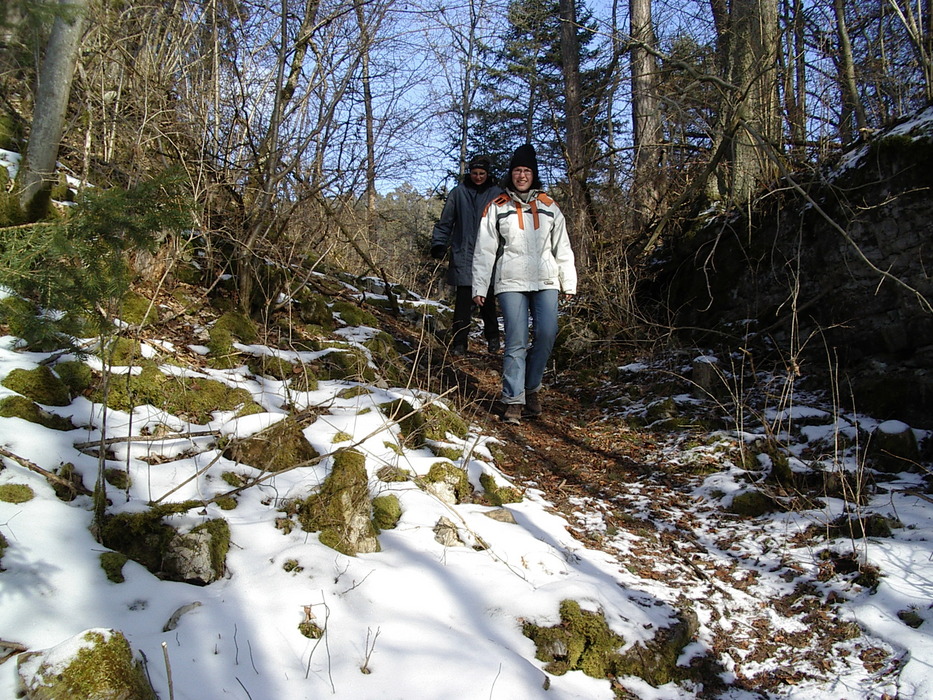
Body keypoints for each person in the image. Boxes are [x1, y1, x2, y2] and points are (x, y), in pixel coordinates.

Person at [471, 144, 576, 424]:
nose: (521, 175)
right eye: (517, 170)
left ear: (533, 174)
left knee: (546, 334)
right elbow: (485, 249)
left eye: (526, 170)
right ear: (511, 173)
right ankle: (513, 400)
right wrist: (480, 286)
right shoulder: (497, 207)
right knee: (516, 340)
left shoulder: (549, 206)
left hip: (545, 279)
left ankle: (532, 389)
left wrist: (569, 282)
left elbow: (562, 247)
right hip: (511, 280)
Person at [431, 156, 503, 356]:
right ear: (469, 173)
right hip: (463, 253)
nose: (478, 177)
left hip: (489, 255)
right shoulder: (458, 193)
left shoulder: (497, 194)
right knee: (463, 300)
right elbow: (446, 221)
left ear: (488, 174)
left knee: (487, 299)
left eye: (482, 173)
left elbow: (506, 224)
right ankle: (459, 343)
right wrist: (438, 243)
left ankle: (493, 338)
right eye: (474, 173)